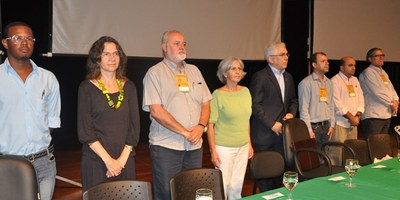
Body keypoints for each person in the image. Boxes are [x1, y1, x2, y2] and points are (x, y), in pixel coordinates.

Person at [142, 30, 212, 200]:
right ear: (164, 47)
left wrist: (201, 126)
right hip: (166, 147)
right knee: (167, 193)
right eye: (176, 43)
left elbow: (206, 103)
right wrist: (186, 132)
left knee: (191, 191)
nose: (182, 47)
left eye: (184, 43)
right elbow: (157, 111)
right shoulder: (154, 73)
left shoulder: (194, 71)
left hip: (194, 147)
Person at [0, 21, 61, 200]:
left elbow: (51, 121)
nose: (25, 43)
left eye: (29, 38)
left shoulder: (48, 78)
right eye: (17, 38)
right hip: (8, 162)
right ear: (5, 43)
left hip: (44, 163)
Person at [77, 36, 140, 191]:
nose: (112, 58)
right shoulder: (86, 88)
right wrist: (109, 161)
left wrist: (121, 161)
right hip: (96, 161)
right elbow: (85, 131)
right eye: (106, 54)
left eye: (116, 53)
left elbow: (135, 128)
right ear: (97, 59)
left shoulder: (129, 87)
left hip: (125, 160)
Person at [250, 42, 298, 191]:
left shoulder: (288, 77)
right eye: (282, 54)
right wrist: (272, 124)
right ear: (271, 59)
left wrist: (292, 113)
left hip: (283, 135)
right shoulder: (261, 77)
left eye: (287, 54)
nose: (286, 57)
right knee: (266, 175)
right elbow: (255, 105)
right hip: (265, 134)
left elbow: (293, 101)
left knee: (279, 174)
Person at [207, 56, 253, 199]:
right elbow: (210, 125)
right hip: (224, 148)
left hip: (243, 146)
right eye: (233, 68)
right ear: (225, 73)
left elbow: (246, 120)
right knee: (223, 186)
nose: (238, 71)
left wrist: (249, 143)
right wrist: (212, 150)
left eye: (240, 68)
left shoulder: (246, 91)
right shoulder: (217, 95)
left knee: (237, 186)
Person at [330, 56, 364, 165]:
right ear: (342, 68)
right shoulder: (334, 81)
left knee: (351, 151)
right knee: (337, 153)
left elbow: (361, 99)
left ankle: (349, 174)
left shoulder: (355, 80)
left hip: (353, 123)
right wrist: (351, 117)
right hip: (340, 123)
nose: (353, 68)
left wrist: (358, 116)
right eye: (350, 65)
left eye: (354, 65)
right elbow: (337, 104)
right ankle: (334, 175)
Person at [359, 48, 399, 138]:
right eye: (378, 56)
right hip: (374, 116)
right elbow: (377, 92)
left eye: (382, 55)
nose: (381, 58)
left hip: (386, 114)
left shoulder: (383, 72)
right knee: (373, 145)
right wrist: (391, 103)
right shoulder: (368, 72)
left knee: (382, 146)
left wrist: (396, 101)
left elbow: (391, 89)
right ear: (369, 59)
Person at [298, 52, 335, 148]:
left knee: (325, 157)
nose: (327, 63)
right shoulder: (306, 83)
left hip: (326, 126)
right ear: (314, 65)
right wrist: (309, 130)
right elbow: (303, 109)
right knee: (314, 158)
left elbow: (331, 105)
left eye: (327, 61)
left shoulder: (329, 83)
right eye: (323, 61)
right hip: (313, 127)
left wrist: (332, 124)